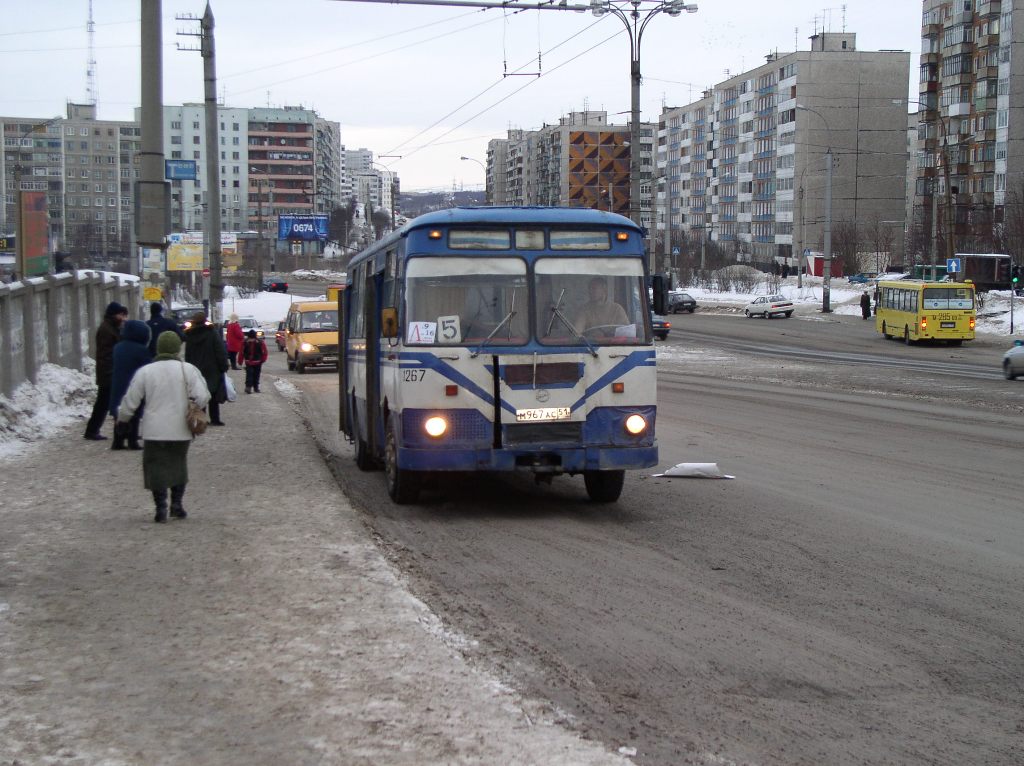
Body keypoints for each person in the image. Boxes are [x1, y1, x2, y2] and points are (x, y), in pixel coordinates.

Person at [117, 331, 210, 523]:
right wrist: (194, 407)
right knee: (178, 465)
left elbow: (131, 400)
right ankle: (177, 504)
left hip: (154, 429)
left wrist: (123, 419)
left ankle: (160, 507)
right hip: (181, 429)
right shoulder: (188, 370)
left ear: (158, 347)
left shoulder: (146, 371)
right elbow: (202, 396)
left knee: (155, 467)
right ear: (177, 348)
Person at [83, 301, 128, 441]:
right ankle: (95, 431)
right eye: (121, 315)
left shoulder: (110, 327)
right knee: (105, 403)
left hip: (108, 372)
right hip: (108, 373)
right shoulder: (106, 330)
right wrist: (111, 372)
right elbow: (106, 355)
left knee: (105, 403)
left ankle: (94, 430)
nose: (124, 318)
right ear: (115, 314)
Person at [108, 320, 153, 450]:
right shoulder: (141, 350)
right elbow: (147, 367)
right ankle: (132, 441)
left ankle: (118, 441)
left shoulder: (118, 347)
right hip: (134, 384)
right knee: (135, 412)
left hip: (118, 384)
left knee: (119, 412)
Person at [184, 311, 229, 426]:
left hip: (196, 368)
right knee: (213, 394)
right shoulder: (212, 333)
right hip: (212, 368)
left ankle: (201, 419)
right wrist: (223, 365)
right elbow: (220, 351)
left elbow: (187, 354)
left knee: (199, 393)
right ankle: (215, 419)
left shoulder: (189, 335)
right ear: (205, 320)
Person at [238, 328, 269, 394]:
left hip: (250, 361)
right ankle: (255, 388)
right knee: (255, 375)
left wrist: (240, 361)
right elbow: (265, 352)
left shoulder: (245, 342)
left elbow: (241, 353)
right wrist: (263, 360)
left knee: (250, 374)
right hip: (257, 362)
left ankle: (249, 387)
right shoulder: (260, 342)